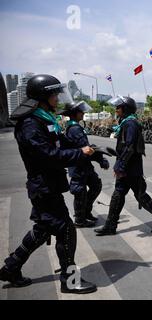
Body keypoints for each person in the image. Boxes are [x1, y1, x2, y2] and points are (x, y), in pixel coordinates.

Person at [0, 74, 97, 293]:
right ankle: (70, 280)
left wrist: (88, 151)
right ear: (44, 96)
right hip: (43, 186)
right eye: (54, 93)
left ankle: (11, 268)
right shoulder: (30, 124)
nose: (57, 98)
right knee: (67, 231)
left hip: (48, 185)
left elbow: (62, 142)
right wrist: (79, 153)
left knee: (43, 229)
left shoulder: (45, 119)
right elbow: (48, 155)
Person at [95, 96, 152, 236]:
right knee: (120, 194)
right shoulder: (126, 122)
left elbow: (129, 147)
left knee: (138, 195)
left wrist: (120, 167)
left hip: (130, 168)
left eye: (118, 107)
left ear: (125, 109)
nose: (116, 110)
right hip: (129, 167)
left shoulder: (130, 124)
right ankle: (111, 225)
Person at [58, 101, 110, 228]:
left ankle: (86, 212)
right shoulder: (75, 128)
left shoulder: (75, 126)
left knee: (96, 185)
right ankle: (80, 219)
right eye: (81, 111)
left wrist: (100, 154)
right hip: (78, 165)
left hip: (84, 164)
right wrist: (101, 159)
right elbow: (85, 148)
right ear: (75, 114)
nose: (83, 113)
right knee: (80, 192)